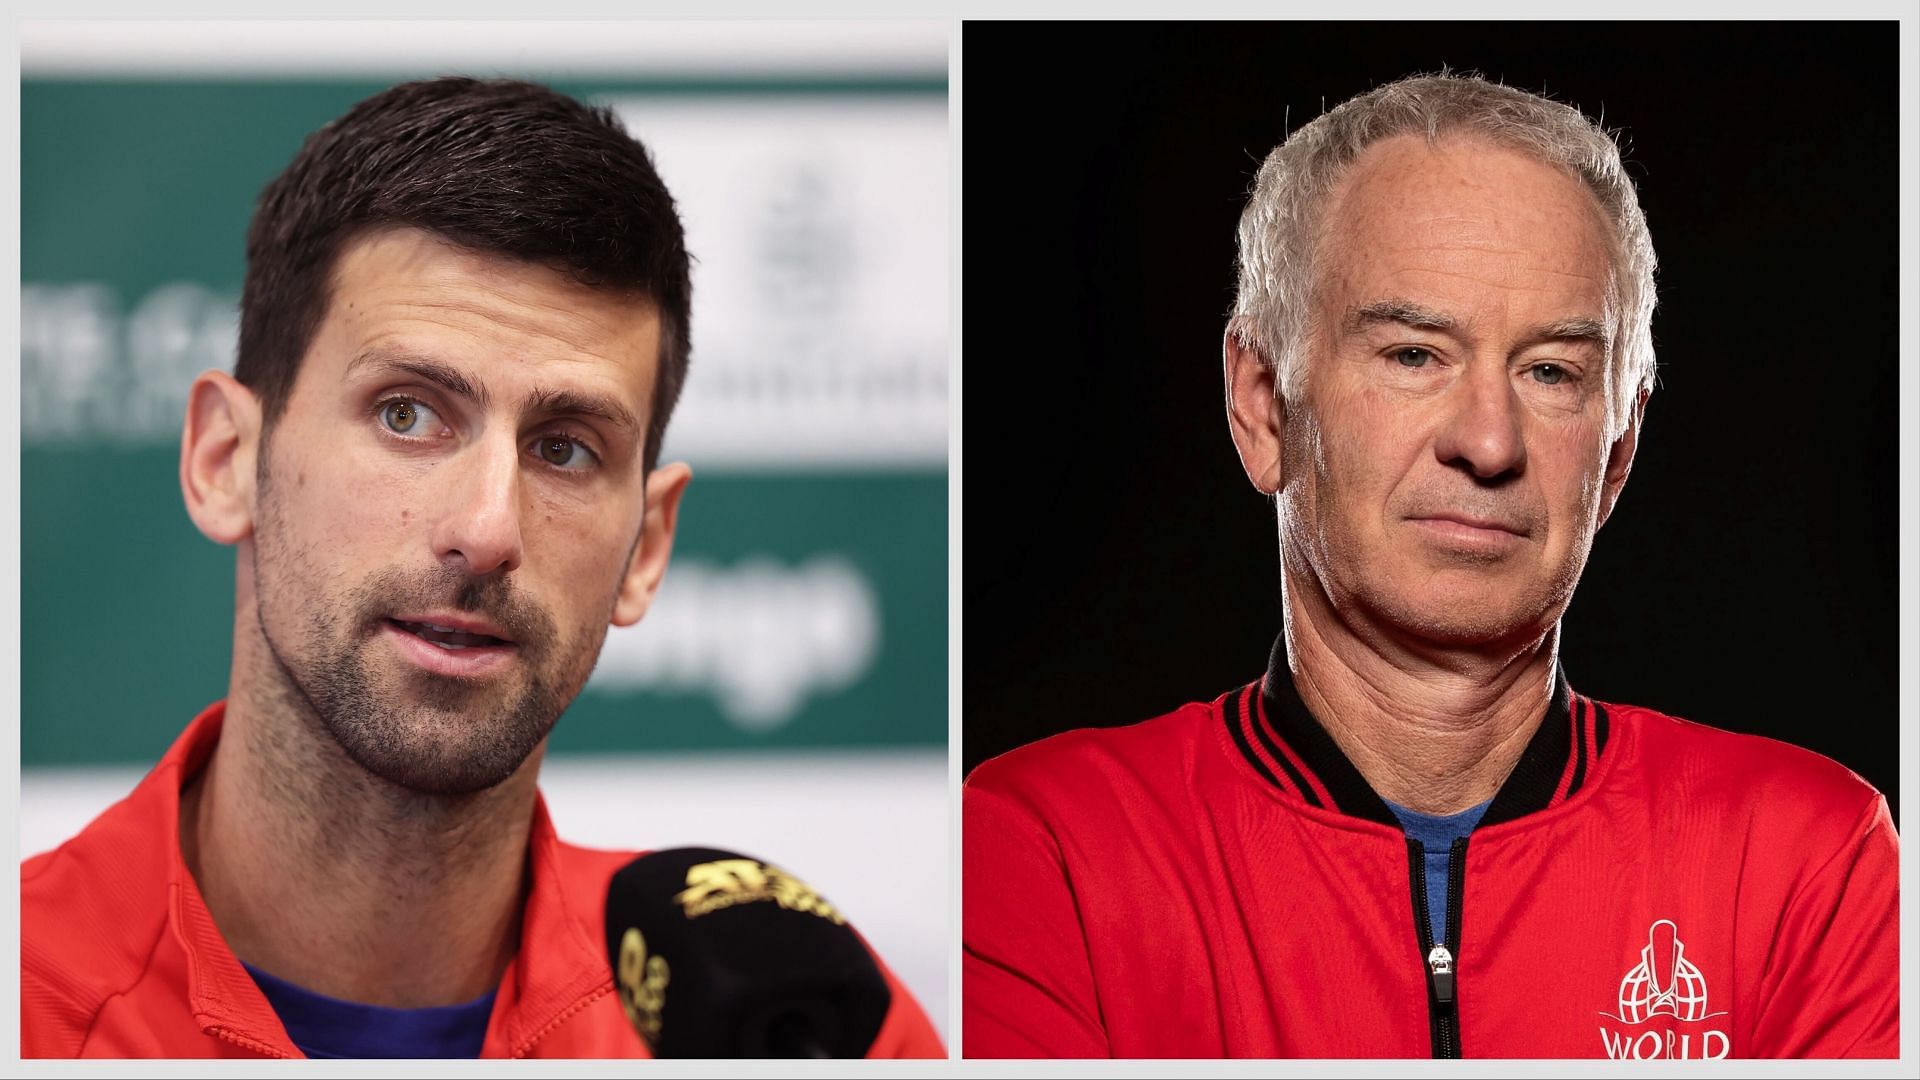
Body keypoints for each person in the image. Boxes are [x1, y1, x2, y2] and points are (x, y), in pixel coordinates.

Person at [962, 73, 1898, 1060]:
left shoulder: (1806, 863)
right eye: (1414, 355)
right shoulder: (1045, 855)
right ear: (1262, 404)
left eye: (1552, 372)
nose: (1488, 442)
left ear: (1620, 447)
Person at [20, 77, 942, 1060]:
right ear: (226, 461)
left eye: (565, 448)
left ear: (649, 547)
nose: (487, 528)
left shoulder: (790, 1035)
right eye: (407, 414)